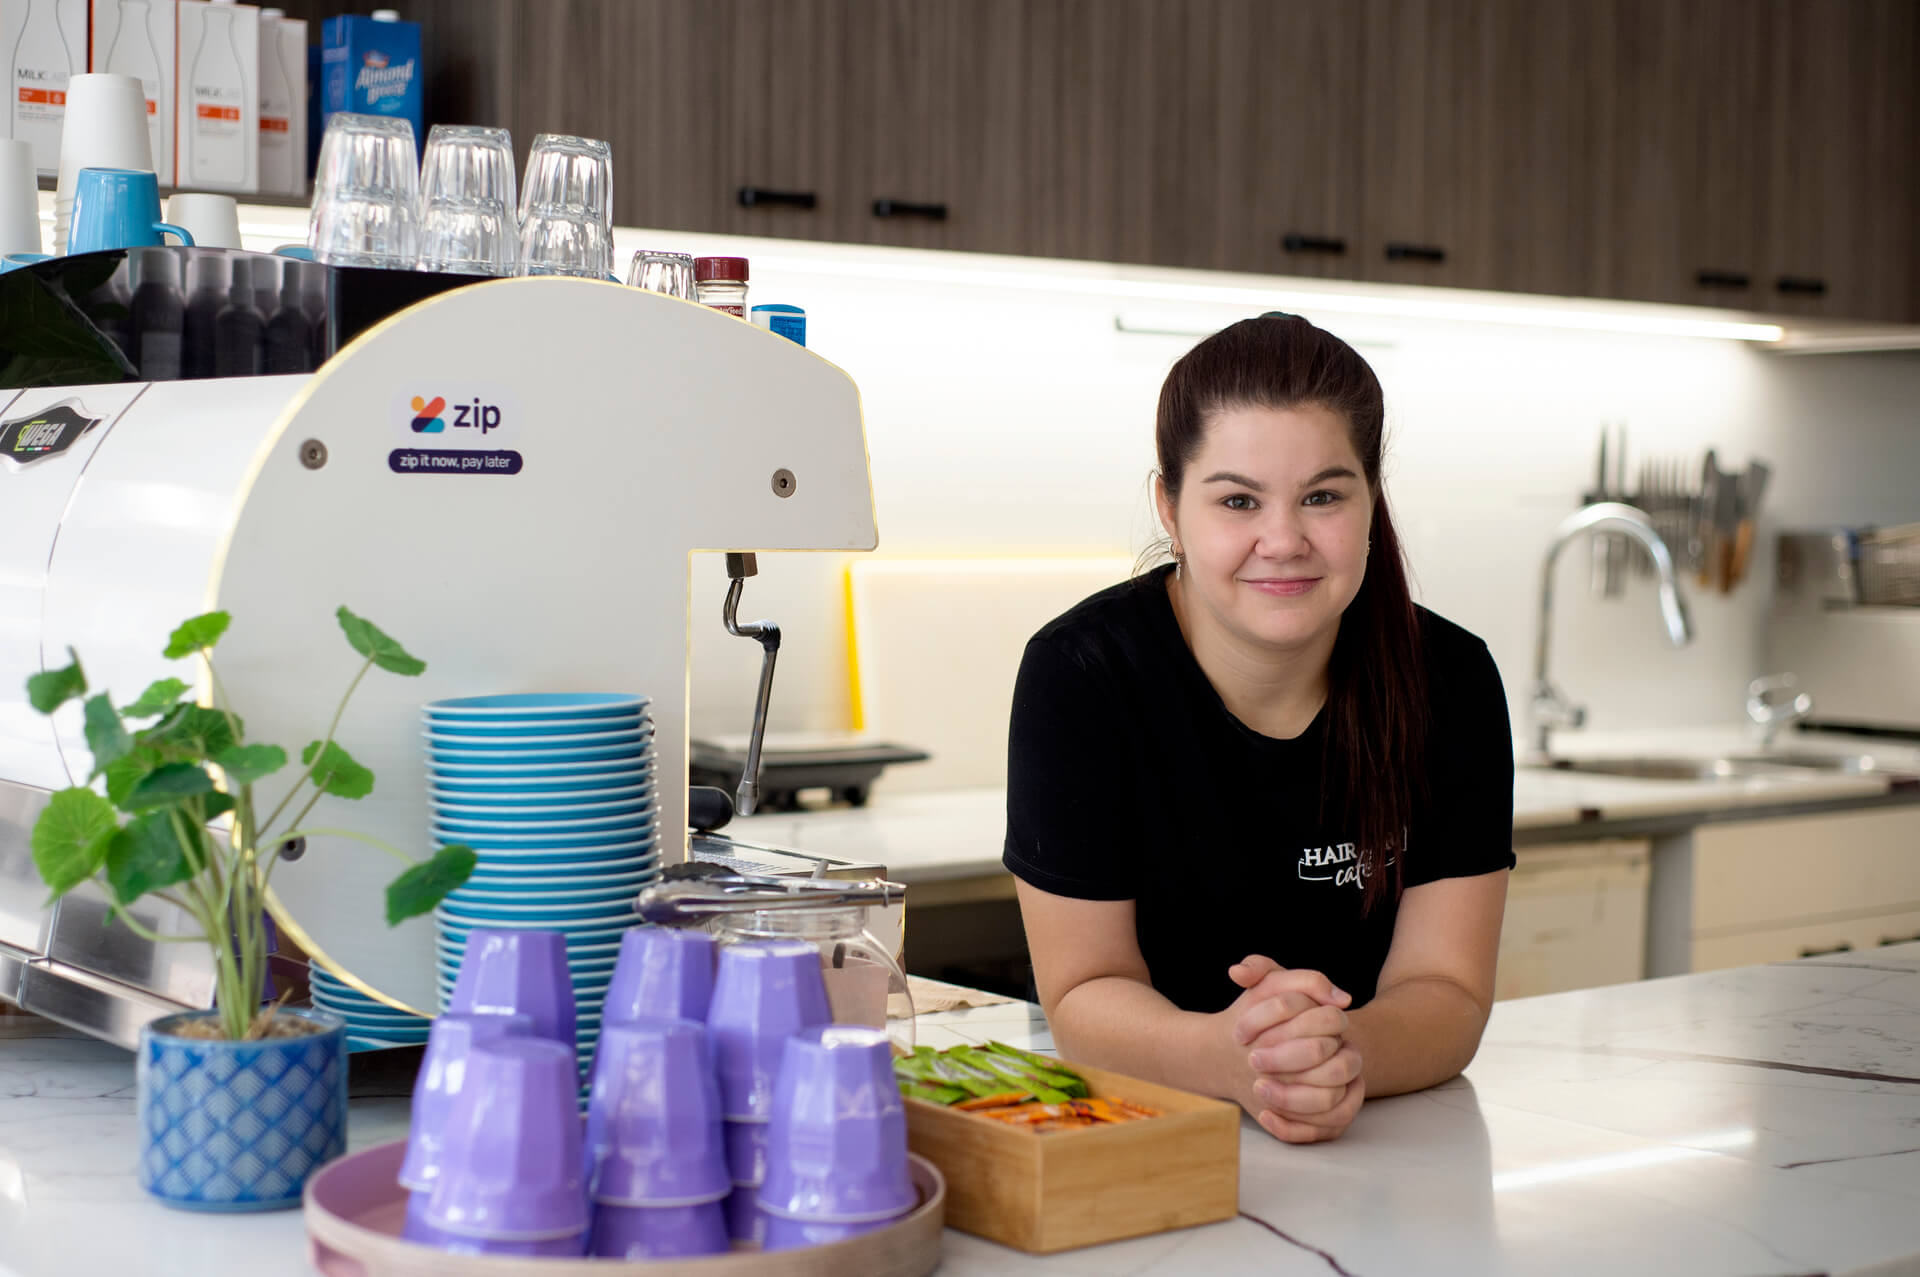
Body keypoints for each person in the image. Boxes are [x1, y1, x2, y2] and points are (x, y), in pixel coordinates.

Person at [1004, 314, 1515, 1144]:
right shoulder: (1083, 676)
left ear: (1371, 502)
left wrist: (1339, 1054)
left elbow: (1448, 990)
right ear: (1169, 506)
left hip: (1386, 1154)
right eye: (1238, 499)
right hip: (1144, 1141)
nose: (1283, 540)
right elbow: (1083, 992)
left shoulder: (1449, 679)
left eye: (1323, 495)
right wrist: (1230, 1054)